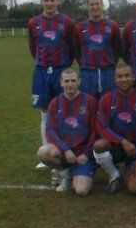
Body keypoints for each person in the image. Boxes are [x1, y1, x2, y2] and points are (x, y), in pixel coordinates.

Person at [28, 0, 75, 171]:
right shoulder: (34, 22)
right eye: (46, 0)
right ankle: (47, 153)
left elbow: (72, 47)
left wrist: (63, 66)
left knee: (65, 111)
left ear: (58, 1)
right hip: (41, 72)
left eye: (52, 0)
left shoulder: (67, 22)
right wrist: (43, 63)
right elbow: (33, 48)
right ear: (42, 2)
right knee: (45, 113)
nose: (49, 3)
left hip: (61, 71)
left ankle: (66, 150)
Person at [93, 64, 136, 195]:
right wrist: (122, 141)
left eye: (127, 75)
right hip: (116, 146)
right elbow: (102, 127)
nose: (123, 79)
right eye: (120, 76)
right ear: (115, 79)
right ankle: (114, 174)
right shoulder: (106, 99)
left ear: (134, 77)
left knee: (134, 189)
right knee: (99, 145)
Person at [35, 68, 98, 196]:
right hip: (65, 152)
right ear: (61, 83)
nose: (70, 84)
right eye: (66, 81)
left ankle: (81, 170)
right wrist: (65, 150)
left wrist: (87, 154)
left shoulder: (90, 101)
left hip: (83, 154)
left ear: (79, 81)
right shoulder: (55, 103)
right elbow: (50, 130)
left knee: (82, 191)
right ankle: (66, 173)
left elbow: (96, 131)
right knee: (43, 152)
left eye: (73, 80)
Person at [74, 0, 122, 100]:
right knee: (88, 105)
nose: (95, 7)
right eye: (92, 4)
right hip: (87, 73)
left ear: (102, 5)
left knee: (109, 105)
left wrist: (110, 64)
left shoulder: (113, 26)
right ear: (87, 6)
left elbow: (118, 48)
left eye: (97, 4)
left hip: (108, 72)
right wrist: (84, 64)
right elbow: (76, 49)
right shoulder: (80, 27)